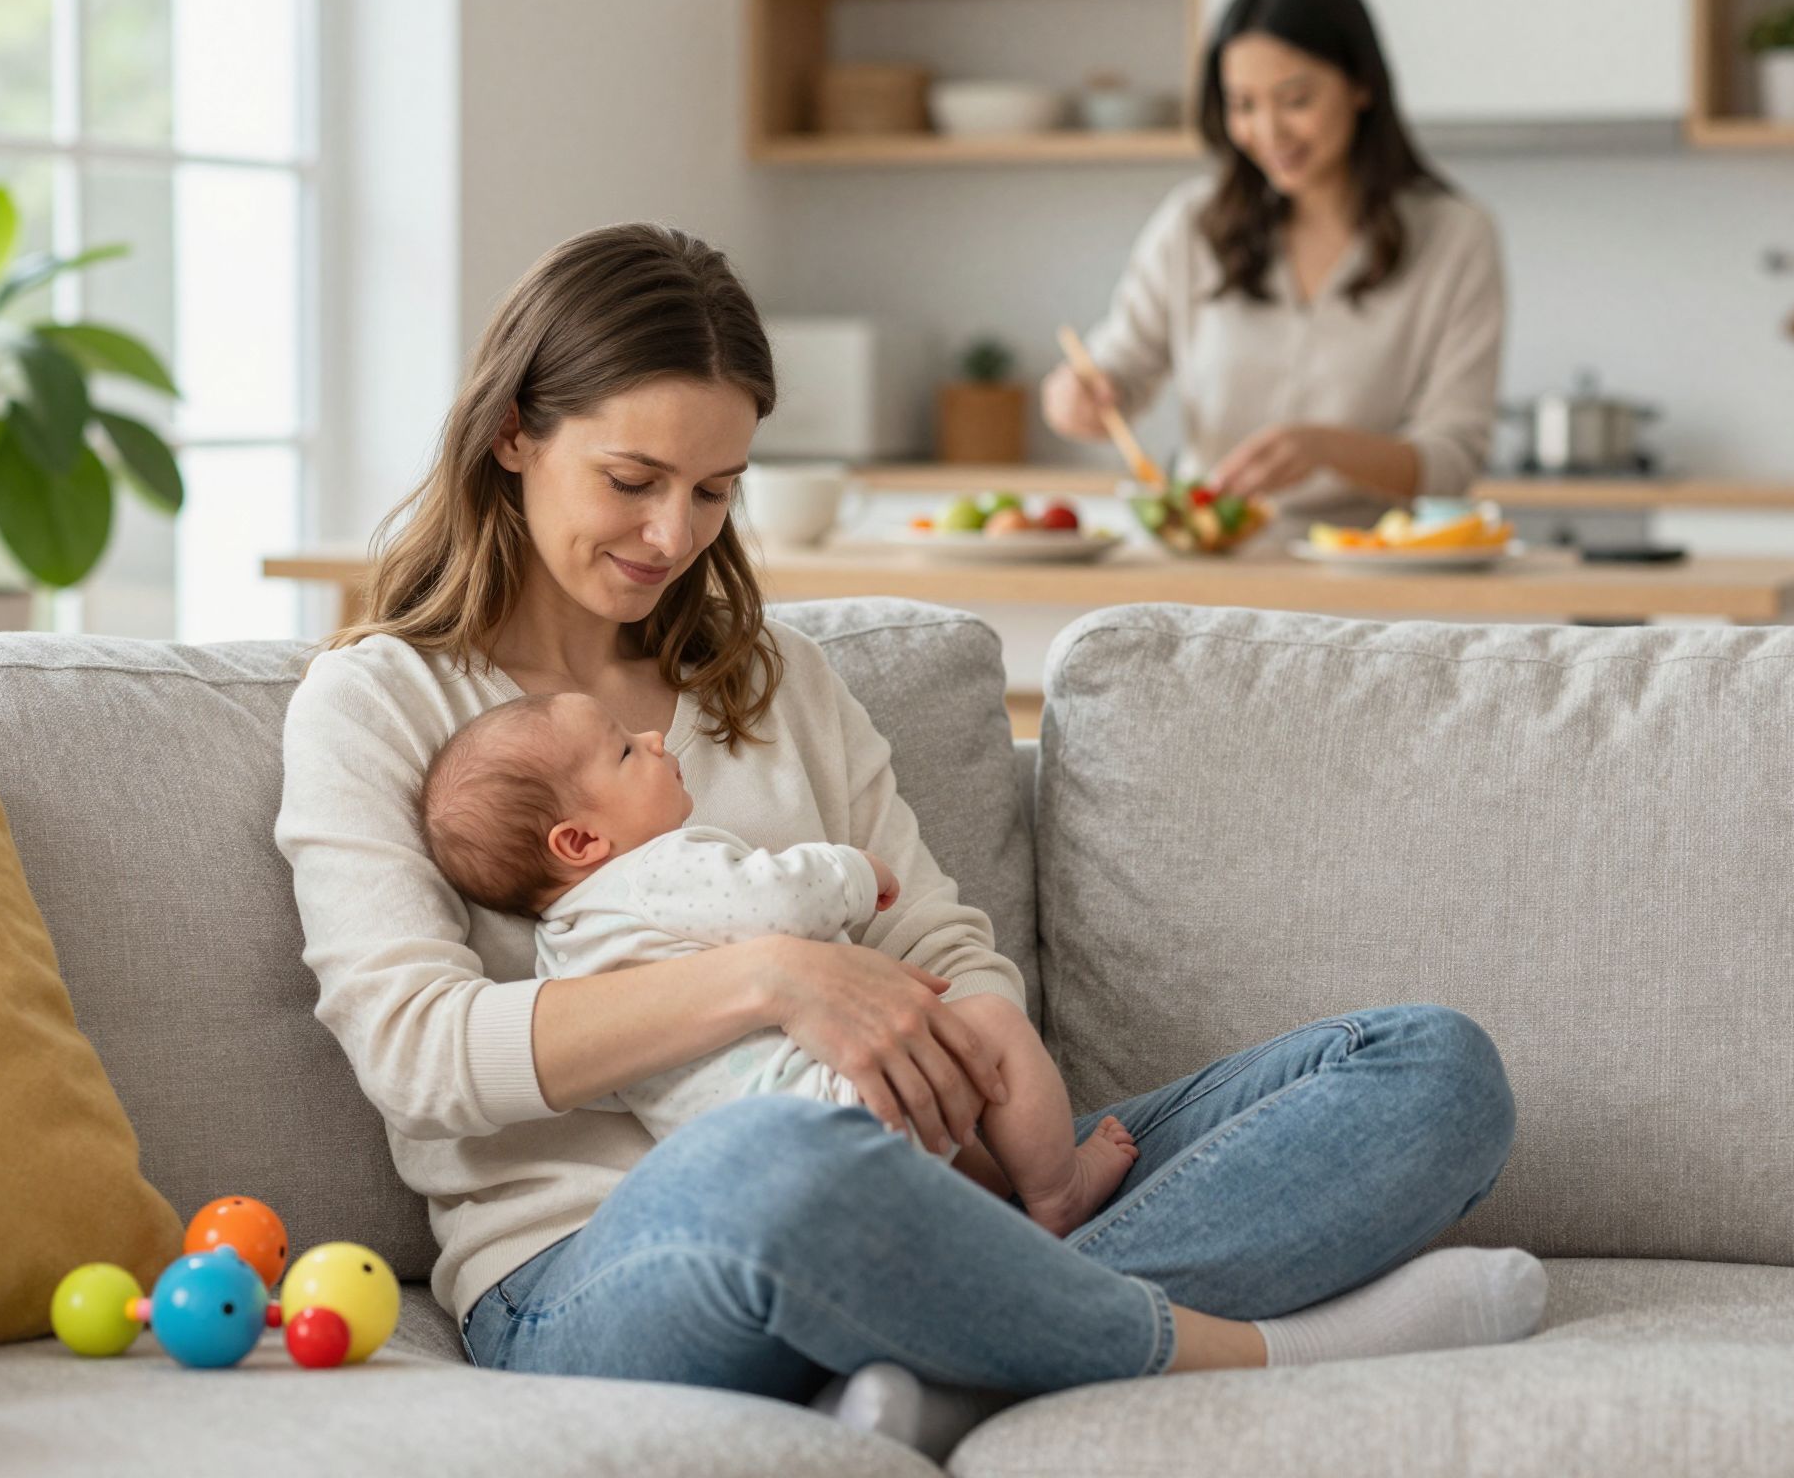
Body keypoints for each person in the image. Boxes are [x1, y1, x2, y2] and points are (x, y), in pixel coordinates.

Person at [273, 220, 1542, 1452]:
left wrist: (992, 1059)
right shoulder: (382, 700)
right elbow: (418, 1052)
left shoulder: (776, 680)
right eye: (632, 481)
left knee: (1427, 1070)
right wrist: (772, 978)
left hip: (929, 1191)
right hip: (605, 1265)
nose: (674, 536)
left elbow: (934, 937)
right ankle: (1237, 1352)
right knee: (781, 1164)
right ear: (513, 433)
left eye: (715, 490)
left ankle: (956, 1357)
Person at [412, 687, 1143, 1237]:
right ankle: (1059, 1194)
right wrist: (854, 872)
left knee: (958, 1133)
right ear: (580, 842)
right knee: (989, 1029)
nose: (653, 739)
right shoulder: (658, 870)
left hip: (756, 1176)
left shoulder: (564, 961)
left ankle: (1000, 1223)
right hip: (836, 1109)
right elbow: (778, 899)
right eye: (625, 752)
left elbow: (607, 1088)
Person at [1042, 0, 1507, 534]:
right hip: (1211, 560)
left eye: (1296, 100)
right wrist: (1077, 397)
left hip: (1368, 566)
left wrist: (1325, 450)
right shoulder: (1193, 226)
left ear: (1361, 84)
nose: (1268, 132)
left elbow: (1452, 463)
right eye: (1244, 105)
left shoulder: (1455, 238)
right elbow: (1118, 369)